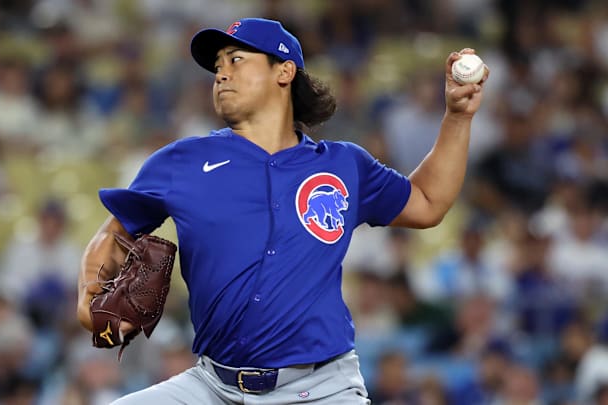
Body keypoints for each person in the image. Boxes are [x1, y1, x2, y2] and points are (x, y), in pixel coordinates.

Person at [76, 17, 488, 404]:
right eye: (218, 65)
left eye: (236, 60)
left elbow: (428, 203)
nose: (221, 74)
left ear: (284, 72)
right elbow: (114, 234)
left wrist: (456, 116)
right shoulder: (182, 162)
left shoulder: (342, 165)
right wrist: (90, 300)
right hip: (212, 385)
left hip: (322, 387)